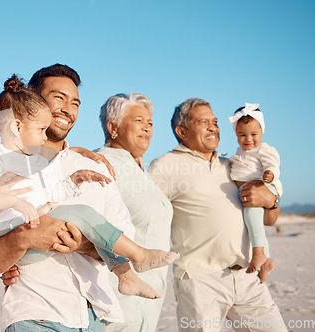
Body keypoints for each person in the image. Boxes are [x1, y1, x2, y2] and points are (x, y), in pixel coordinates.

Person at [0, 64, 140, 330]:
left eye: (75, 103)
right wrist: (17, 241)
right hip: (33, 314)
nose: (67, 109)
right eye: (58, 97)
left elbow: (125, 232)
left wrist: (82, 243)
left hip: (94, 316)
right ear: (32, 98)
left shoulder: (94, 168)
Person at [0, 75, 177, 299]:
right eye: (41, 129)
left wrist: (73, 181)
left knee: (90, 221)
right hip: (21, 249)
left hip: (86, 296)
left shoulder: (39, 161)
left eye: (75, 103)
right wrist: (15, 204)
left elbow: (53, 194)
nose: (44, 134)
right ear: (17, 125)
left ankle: (126, 275)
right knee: (83, 213)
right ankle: (138, 256)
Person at [149, 98, 286, 331]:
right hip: (200, 280)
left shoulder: (234, 165)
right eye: (204, 122)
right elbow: (144, 217)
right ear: (182, 131)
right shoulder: (165, 166)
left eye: (215, 121)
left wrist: (272, 201)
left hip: (247, 275)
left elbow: (269, 220)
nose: (214, 127)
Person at [96, 92, 173, 332]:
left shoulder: (142, 170)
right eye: (139, 120)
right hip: (115, 304)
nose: (147, 127)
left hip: (149, 302)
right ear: (113, 127)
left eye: (150, 122)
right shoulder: (101, 164)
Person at [228, 102, 281, 282]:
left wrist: (270, 174)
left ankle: (258, 254)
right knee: (254, 223)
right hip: (250, 190)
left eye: (253, 134)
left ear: (262, 132)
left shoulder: (264, 150)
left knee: (252, 218)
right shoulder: (240, 152)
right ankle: (265, 260)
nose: (248, 139)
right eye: (242, 135)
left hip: (262, 186)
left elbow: (272, 164)